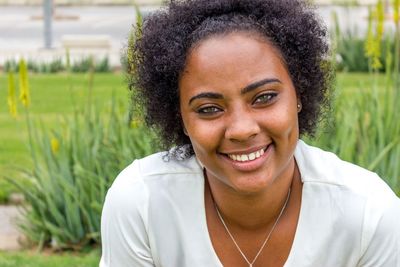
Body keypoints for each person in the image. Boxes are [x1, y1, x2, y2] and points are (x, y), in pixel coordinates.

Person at [100, 0, 400, 266]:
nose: (242, 130)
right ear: (181, 118)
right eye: (208, 109)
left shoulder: (367, 216)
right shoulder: (142, 204)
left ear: (299, 94)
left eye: (264, 97)